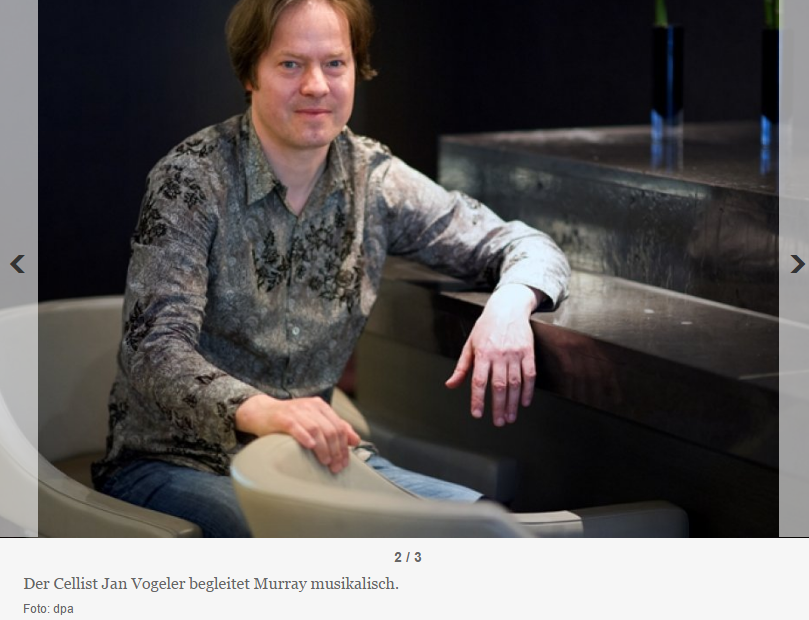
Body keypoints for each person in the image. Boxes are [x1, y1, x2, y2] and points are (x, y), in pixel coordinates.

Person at [92, 0, 570, 537]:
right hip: (174, 461)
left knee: (487, 533)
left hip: (313, 460)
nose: (317, 85)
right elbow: (154, 351)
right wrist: (261, 410)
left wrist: (511, 303)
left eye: (335, 63)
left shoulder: (374, 180)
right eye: (291, 64)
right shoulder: (192, 180)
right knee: (312, 544)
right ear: (250, 74)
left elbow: (526, 244)